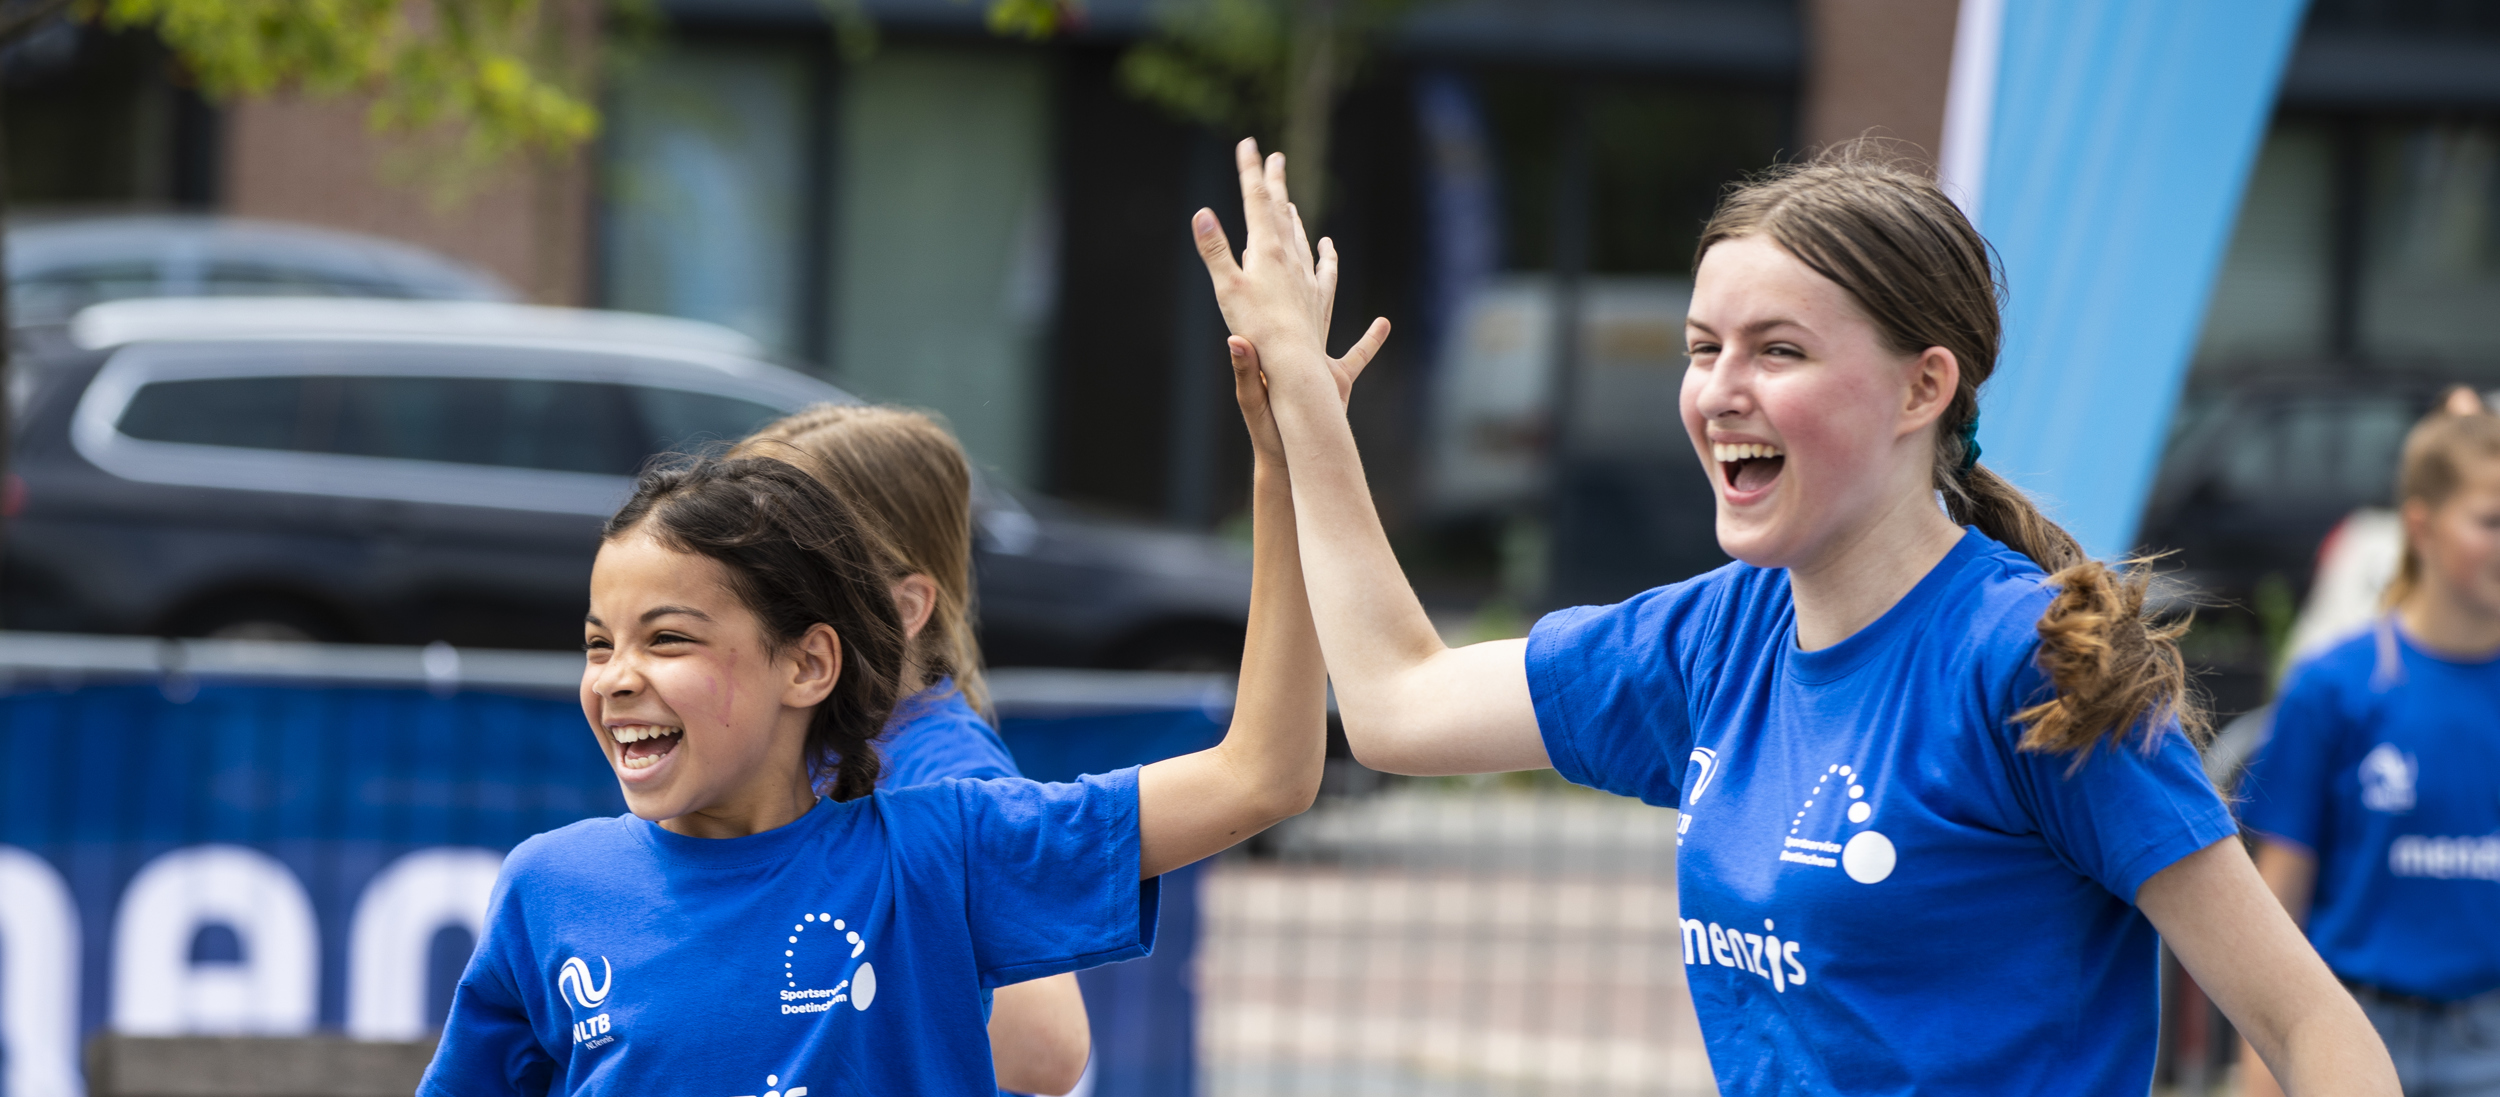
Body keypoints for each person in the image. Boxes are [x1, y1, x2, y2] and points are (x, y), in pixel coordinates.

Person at [1194, 139, 2399, 1095]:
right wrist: (1305, 403)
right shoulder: (1712, 638)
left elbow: (2305, 1020)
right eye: (1702, 346)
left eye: (1778, 350)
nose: (1722, 390)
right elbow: (1398, 701)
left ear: (1924, 385)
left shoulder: (2023, 658)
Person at [417, 343, 1329, 1093]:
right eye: (596, 643)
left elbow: (1266, 773)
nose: (616, 676)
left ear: (810, 661)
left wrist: (1282, 468)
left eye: (668, 638)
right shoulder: (549, 885)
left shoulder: (942, 846)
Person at [732, 404, 1089, 1096]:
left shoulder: (950, 776)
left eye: (788, 574)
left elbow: (1049, 1047)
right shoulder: (806, 737)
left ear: (905, 606)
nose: (752, 595)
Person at [2239, 387, 2500, 1097]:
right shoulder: (2334, 685)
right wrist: (2261, 1072)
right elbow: (2278, 904)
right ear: (2422, 527)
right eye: (2491, 521)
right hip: (2350, 1032)